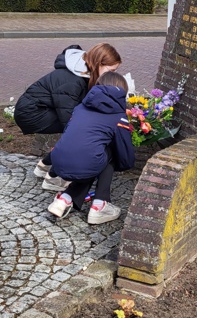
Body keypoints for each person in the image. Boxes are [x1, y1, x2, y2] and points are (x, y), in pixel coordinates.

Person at [14, 43, 121, 191]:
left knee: (83, 127)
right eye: (111, 70)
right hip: (32, 114)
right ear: (98, 64)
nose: (112, 75)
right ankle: (53, 178)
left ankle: (44, 166)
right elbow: (69, 121)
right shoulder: (72, 81)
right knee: (79, 131)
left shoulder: (83, 73)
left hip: (41, 109)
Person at [47, 71, 135, 224]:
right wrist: (126, 166)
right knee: (105, 154)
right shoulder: (118, 116)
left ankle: (64, 199)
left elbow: (72, 136)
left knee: (91, 155)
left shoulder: (80, 108)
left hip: (58, 161)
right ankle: (99, 205)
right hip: (85, 163)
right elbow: (124, 149)